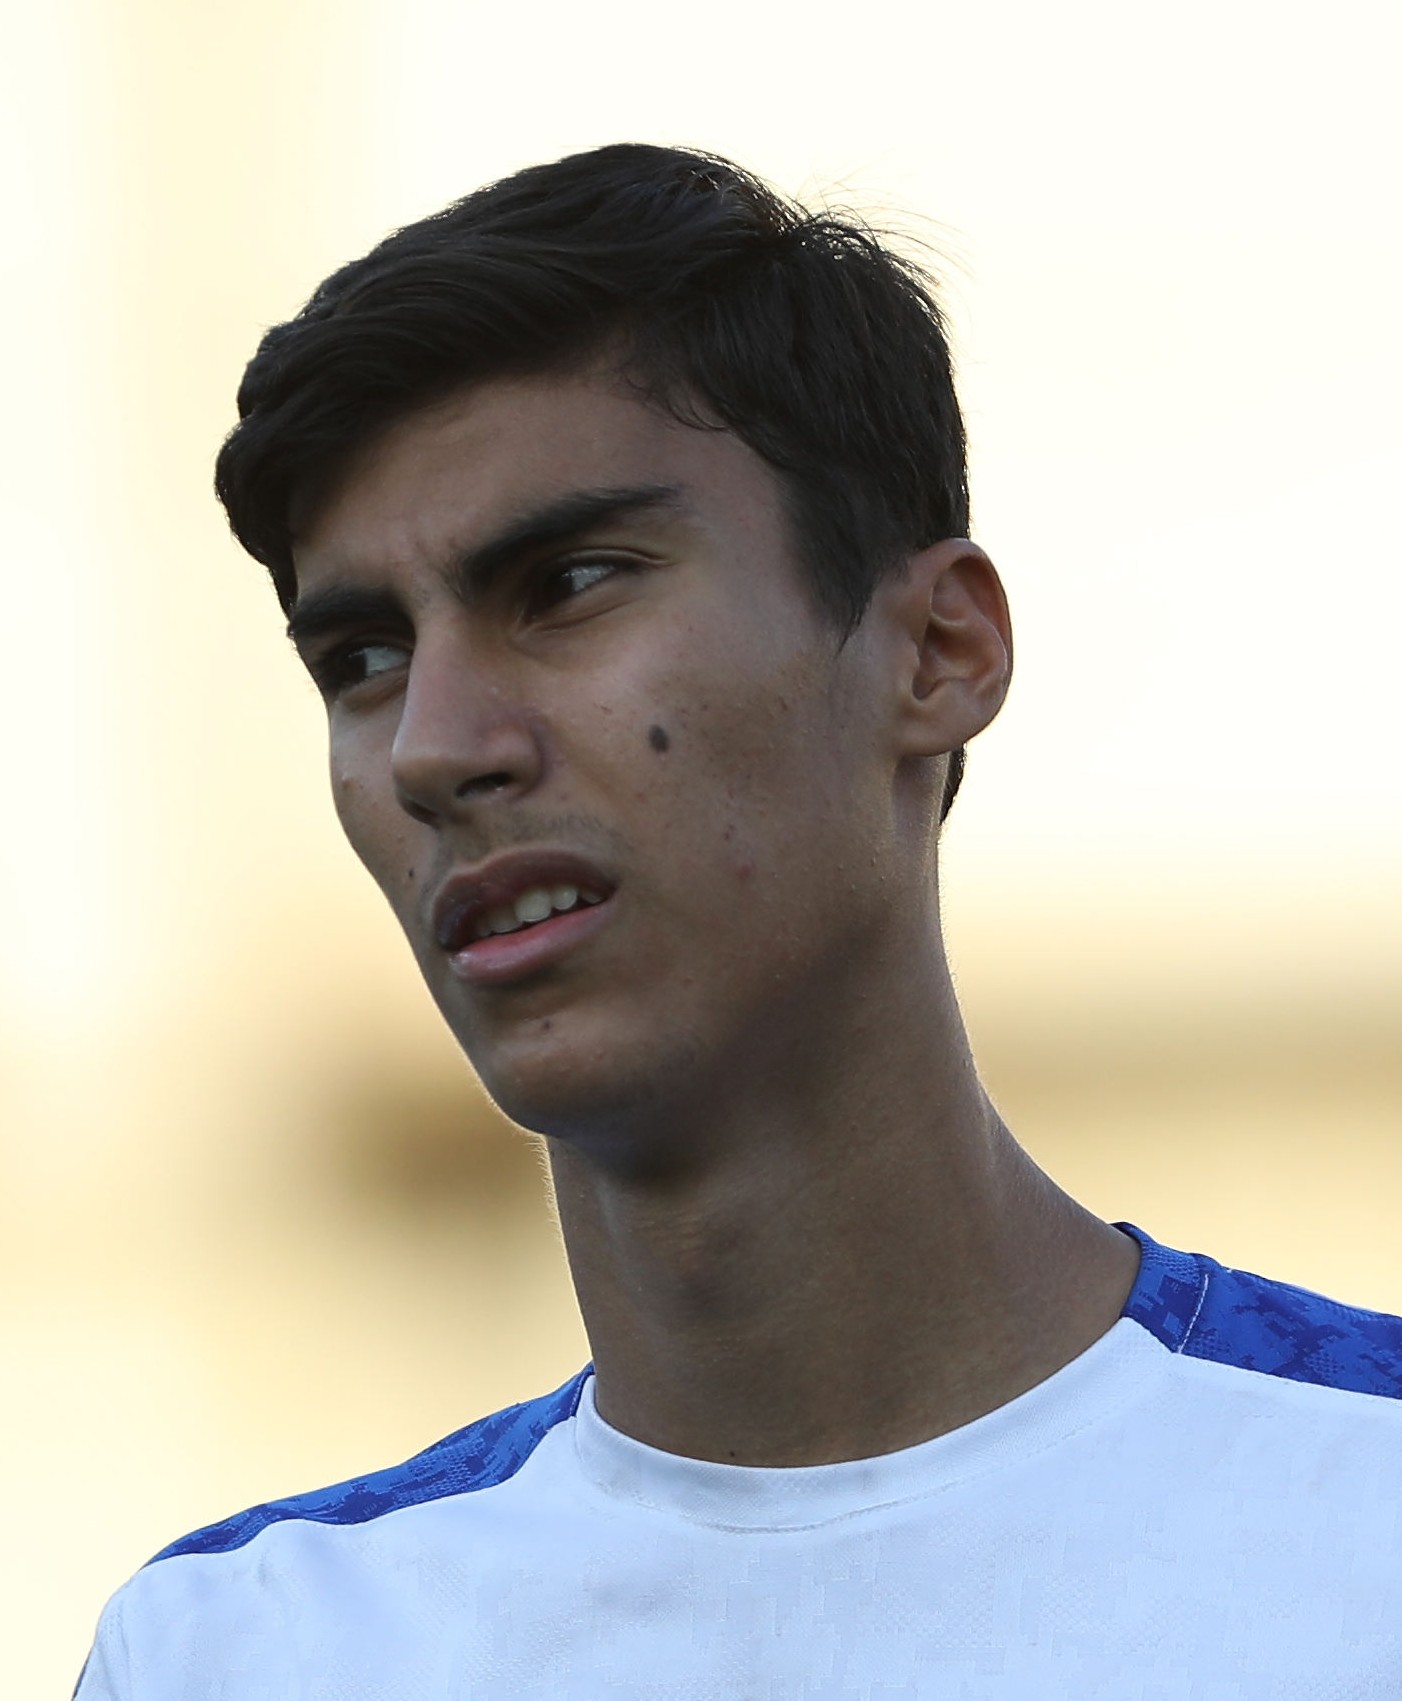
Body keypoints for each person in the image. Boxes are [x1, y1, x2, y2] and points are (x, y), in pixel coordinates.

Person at [76, 143, 1401, 1699]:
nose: (434, 745)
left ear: (937, 650)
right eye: (362, 658)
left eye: (569, 582)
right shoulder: (238, 1650)